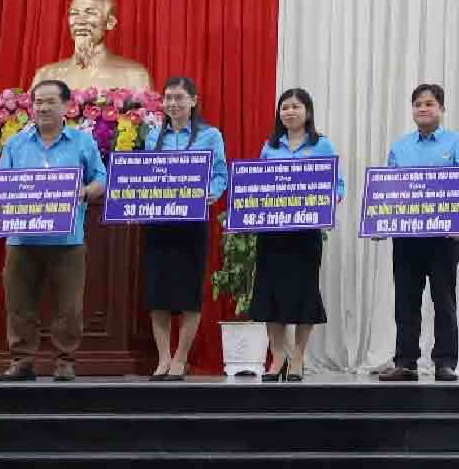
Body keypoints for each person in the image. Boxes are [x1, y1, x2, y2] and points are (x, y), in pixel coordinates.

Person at [0, 80, 107, 381]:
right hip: (21, 238)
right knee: (19, 304)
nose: (42, 108)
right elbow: (1, 184)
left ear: (67, 106)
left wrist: (85, 191)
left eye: (49, 102)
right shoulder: (16, 143)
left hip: (67, 239)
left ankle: (64, 362)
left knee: (69, 306)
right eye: (38, 102)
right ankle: (22, 361)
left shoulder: (83, 142)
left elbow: (101, 178)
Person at [377, 84, 459, 383]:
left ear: (441, 109)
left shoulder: (458, 143)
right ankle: (405, 362)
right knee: (406, 302)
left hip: (444, 238)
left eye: (429, 103)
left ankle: (445, 363)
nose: (423, 108)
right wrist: (380, 220)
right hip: (406, 238)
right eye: (418, 103)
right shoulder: (400, 146)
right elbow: (388, 189)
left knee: (444, 301)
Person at [248, 88, 343, 382]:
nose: (289, 112)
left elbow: (337, 185)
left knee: (303, 294)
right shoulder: (270, 146)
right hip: (272, 233)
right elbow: (259, 183)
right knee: (271, 295)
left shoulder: (322, 145)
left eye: (295, 107)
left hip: (305, 234)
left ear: (308, 112)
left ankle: (298, 356)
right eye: (284, 107)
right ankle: (278, 356)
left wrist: (328, 201)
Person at [140, 76, 228, 380]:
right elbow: (143, 176)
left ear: (193, 100)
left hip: (192, 223)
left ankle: (181, 358)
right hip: (159, 223)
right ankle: (163, 358)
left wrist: (212, 193)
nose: (173, 104)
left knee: (189, 292)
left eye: (179, 97)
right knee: (157, 293)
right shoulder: (153, 136)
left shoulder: (210, 135)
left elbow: (220, 175)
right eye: (168, 98)